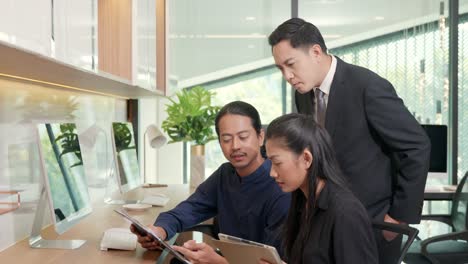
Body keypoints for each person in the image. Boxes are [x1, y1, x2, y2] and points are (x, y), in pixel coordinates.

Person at [268, 17, 431, 264]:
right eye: (280, 68)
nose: (287, 76)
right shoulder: (303, 95)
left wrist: (397, 218)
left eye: (291, 64)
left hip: (370, 220)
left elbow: (416, 146)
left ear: (315, 52)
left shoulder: (367, 86)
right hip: (324, 218)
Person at [131, 100, 291, 263]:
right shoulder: (225, 174)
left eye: (243, 137)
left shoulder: (281, 185)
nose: (235, 146)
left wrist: (218, 262)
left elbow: (273, 261)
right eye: (227, 139)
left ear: (260, 137)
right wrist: (160, 231)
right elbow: (191, 207)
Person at [260, 113, 378, 264]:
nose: (272, 173)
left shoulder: (345, 212)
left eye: (277, 162)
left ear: (306, 159)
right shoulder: (302, 201)